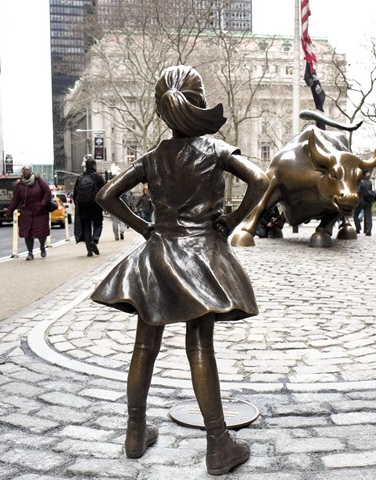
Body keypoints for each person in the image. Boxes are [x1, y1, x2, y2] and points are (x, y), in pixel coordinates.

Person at [91, 65, 268, 476]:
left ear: (162, 110)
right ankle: (218, 444)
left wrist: (144, 228)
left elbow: (106, 194)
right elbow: (260, 179)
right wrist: (234, 220)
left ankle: (135, 434)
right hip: (201, 255)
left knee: (144, 346)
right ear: (199, 103)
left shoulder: (153, 158)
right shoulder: (215, 150)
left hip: (156, 256)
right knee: (199, 344)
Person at [7, 166, 52, 260]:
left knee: (41, 233)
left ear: (31, 171)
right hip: (26, 212)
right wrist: (9, 211)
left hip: (40, 212)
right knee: (27, 233)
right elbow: (15, 199)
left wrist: (42, 204)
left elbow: (47, 192)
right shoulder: (20, 185)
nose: (26, 172)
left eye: (27, 170)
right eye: (24, 170)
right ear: (22, 173)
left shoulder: (38, 180)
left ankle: (42, 247)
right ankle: (30, 253)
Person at [73, 159, 107, 256]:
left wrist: (78, 205)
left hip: (83, 207)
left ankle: (89, 251)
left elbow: (75, 195)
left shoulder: (80, 178)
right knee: (98, 224)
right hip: (96, 206)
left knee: (87, 228)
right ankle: (94, 240)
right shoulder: (99, 178)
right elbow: (104, 192)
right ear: (94, 166)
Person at [353, 171, 376, 236]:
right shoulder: (370, 183)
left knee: (355, 215)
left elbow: (358, 191)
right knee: (368, 216)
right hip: (368, 201)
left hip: (361, 201)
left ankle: (358, 229)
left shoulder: (360, 183)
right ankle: (369, 230)